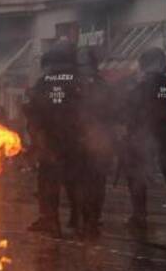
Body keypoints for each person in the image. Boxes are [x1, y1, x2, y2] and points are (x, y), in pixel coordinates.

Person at [124, 47, 166, 234]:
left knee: (137, 178)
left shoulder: (136, 88)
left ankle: (139, 216)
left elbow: (126, 115)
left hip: (140, 141)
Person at [23, 41, 82, 237]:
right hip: (76, 142)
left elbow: (33, 112)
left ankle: (51, 220)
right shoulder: (79, 81)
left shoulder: (44, 83)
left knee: (48, 183)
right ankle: (79, 219)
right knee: (74, 181)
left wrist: (35, 140)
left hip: (50, 142)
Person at [76, 46, 114, 238]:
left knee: (88, 183)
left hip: (90, 143)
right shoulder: (102, 85)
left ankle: (88, 217)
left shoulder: (76, 85)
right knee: (94, 183)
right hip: (95, 143)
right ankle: (91, 217)